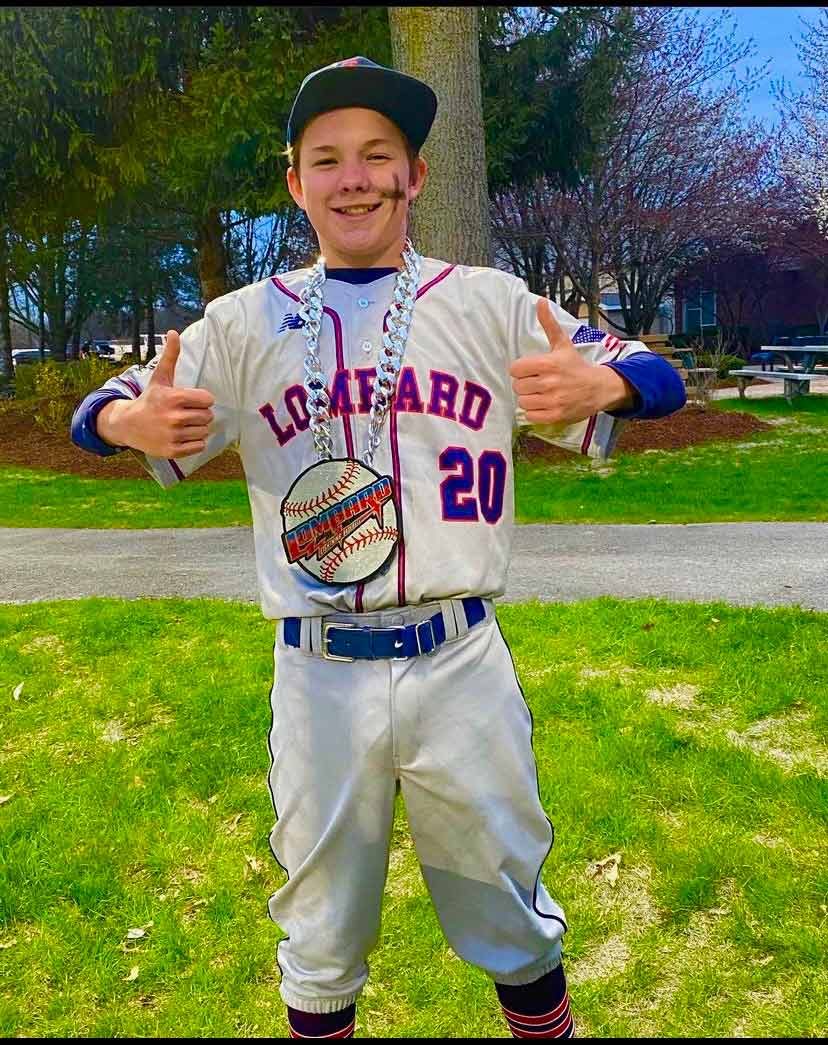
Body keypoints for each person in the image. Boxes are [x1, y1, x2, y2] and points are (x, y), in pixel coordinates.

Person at [70, 57, 686, 1039]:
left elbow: (654, 371)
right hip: (319, 666)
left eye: (376, 156)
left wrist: (611, 390)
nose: (353, 177)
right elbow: (102, 408)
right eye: (327, 159)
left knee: (510, 909)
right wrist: (122, 426)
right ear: (296, 184)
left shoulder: (490, 304)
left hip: (459, 657)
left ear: (415, 177)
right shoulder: (241, 322)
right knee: (319, 932)